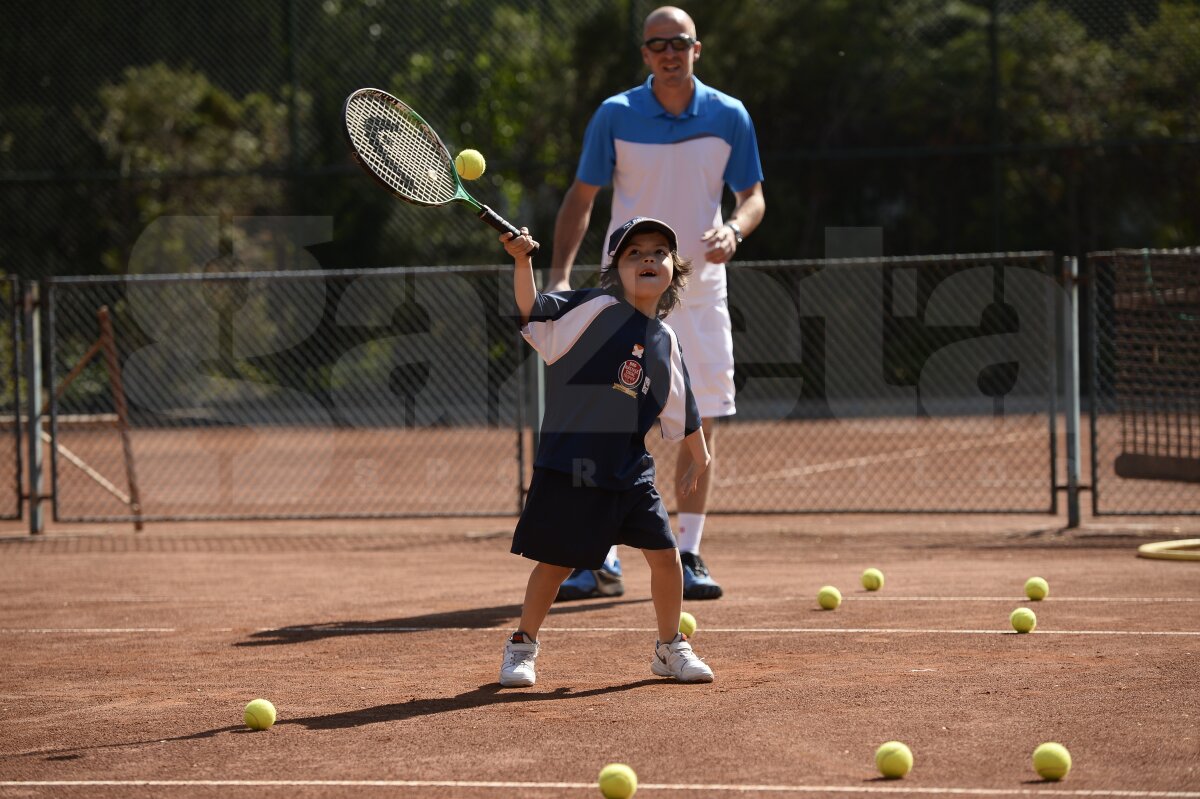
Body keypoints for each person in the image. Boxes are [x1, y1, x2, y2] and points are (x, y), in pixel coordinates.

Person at [548, 6, 766, 602]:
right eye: (657, 44)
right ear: (645, 54)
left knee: (703, 423)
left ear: (699, 48)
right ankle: (598, 558)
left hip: (701, 298)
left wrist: (736, 231)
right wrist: (562, 276)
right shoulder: (614, 115)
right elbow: (582, 197)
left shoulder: (730, 116)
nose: (669, 52)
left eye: (680, 43)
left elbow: (753, 196)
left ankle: (689, 552)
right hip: (626, 301)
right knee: (611, 424)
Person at [499, 217, 714, 688]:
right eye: (634, 253)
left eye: (659, 252)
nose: (648, 259)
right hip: (571, 464)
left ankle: (669, 647)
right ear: (616, 270)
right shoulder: (594, 308)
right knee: (555, 565)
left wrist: (700, 456)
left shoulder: (666, 340)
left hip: (629, 470)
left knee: (665, 556)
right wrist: (523, 260)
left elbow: (683, 406)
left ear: (673, 270)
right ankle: (521, 645)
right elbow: (533, 310)